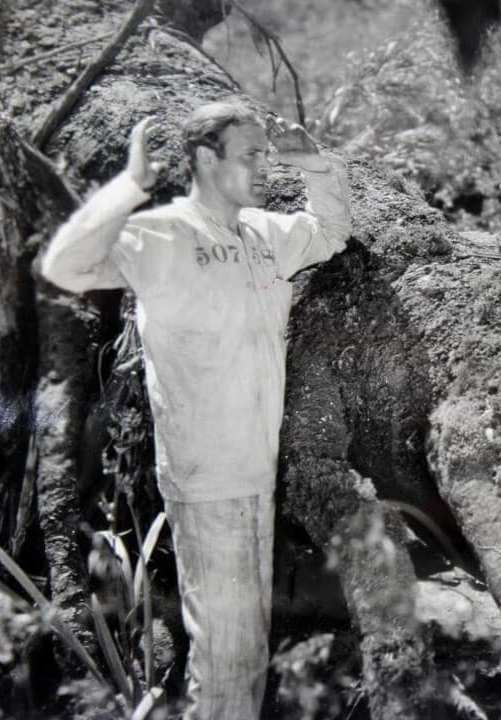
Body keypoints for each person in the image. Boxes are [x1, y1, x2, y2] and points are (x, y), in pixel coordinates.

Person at [41, 101, 352, 719]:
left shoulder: (263, 233)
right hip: (207, 481)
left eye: (266, 153)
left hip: (254, 473)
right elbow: (63, 265)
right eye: (252, 155)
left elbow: (330, 232)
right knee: (229, 666)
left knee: (242, 659)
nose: (265, 167)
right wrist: (130, 185)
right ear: (206, 159)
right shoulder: (163, 235)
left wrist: (315, 164)